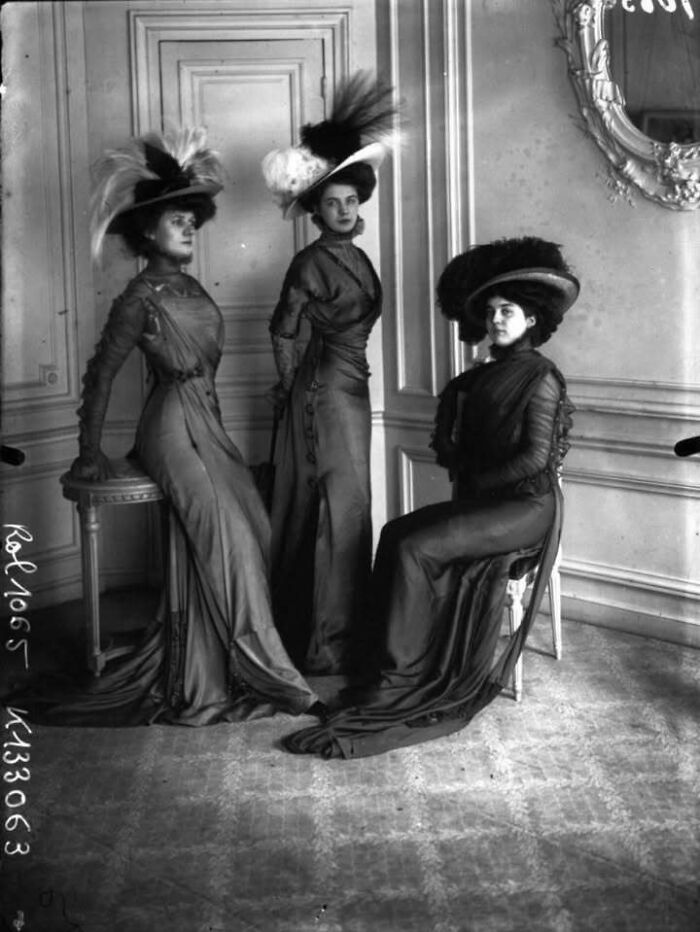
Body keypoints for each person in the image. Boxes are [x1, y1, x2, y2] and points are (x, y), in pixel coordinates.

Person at [13, 128, 320, 726]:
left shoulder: (193, 287)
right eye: (174, 221)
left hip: (207, 420)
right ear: (147, 232)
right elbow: (100, 375)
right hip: (171, 424)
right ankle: (278, 678)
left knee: (253, 525)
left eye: (190, 221)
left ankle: (220, 661)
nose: (187, 229)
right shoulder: (138, 297)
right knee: (226, 534)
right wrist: (88, 450)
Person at [282, 236, 579, 758]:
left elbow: (535, 460)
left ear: (533, 320)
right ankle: (386, 660)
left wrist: (476, 481)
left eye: (508, 311)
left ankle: (400, 679)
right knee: (397, 532)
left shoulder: (541, 377)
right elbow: (450, 448)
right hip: (490, 503)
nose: (496, 320)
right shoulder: (475, 378)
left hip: (526, 510)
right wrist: (453, 435)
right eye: (490, 311)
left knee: (416, 547)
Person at [261, 73, 396, 675]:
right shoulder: (311, 260)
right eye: (332, 203)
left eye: (350, 202)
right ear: (314, 210)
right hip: (322, 395)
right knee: (331, 506)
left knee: (352, 505)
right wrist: (291, 390)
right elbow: (283, 330)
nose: (343, 211)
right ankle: (321, 642)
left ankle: (345, 629)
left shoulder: (359, 258)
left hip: (352, 392)